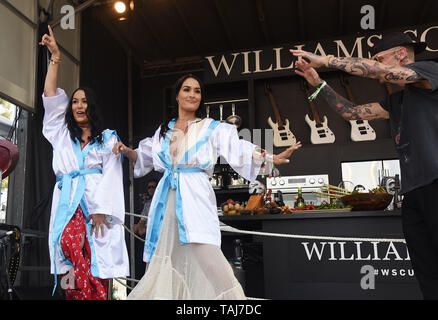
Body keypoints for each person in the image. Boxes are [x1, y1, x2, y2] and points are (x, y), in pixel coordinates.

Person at [113, 73, 302, 299]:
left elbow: (239, 148)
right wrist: (126, 151)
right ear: (177, 95)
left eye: (197, 91)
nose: (192, 94)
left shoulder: (212, 128)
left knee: (207, 252)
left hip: (195, 195)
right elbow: (143, 157)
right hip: (167, 199)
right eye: (187, 89)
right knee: (168, 256)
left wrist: (271, 157)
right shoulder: (164, 130)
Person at [291, 32, 438, 299]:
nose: (376, 66)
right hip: (414, 192)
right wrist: (319, 83)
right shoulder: (396, 100)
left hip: (435, 182)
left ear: (401, 54)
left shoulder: (428, 71)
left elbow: (375, 71)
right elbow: (352, 113)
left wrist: (325, 60)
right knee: (428, 274)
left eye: (380, 58)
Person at [39, 25, 129, 300]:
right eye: (75, 101)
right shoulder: (60, 134)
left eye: (84, 101)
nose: (79, 105)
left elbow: (113, 175)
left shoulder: (106, 139)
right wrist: (56, 58)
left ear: (92, 107)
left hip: (95, 205)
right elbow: (51, 98)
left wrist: (102, 210)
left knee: (96, 260)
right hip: (68, 202)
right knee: (68, 246)